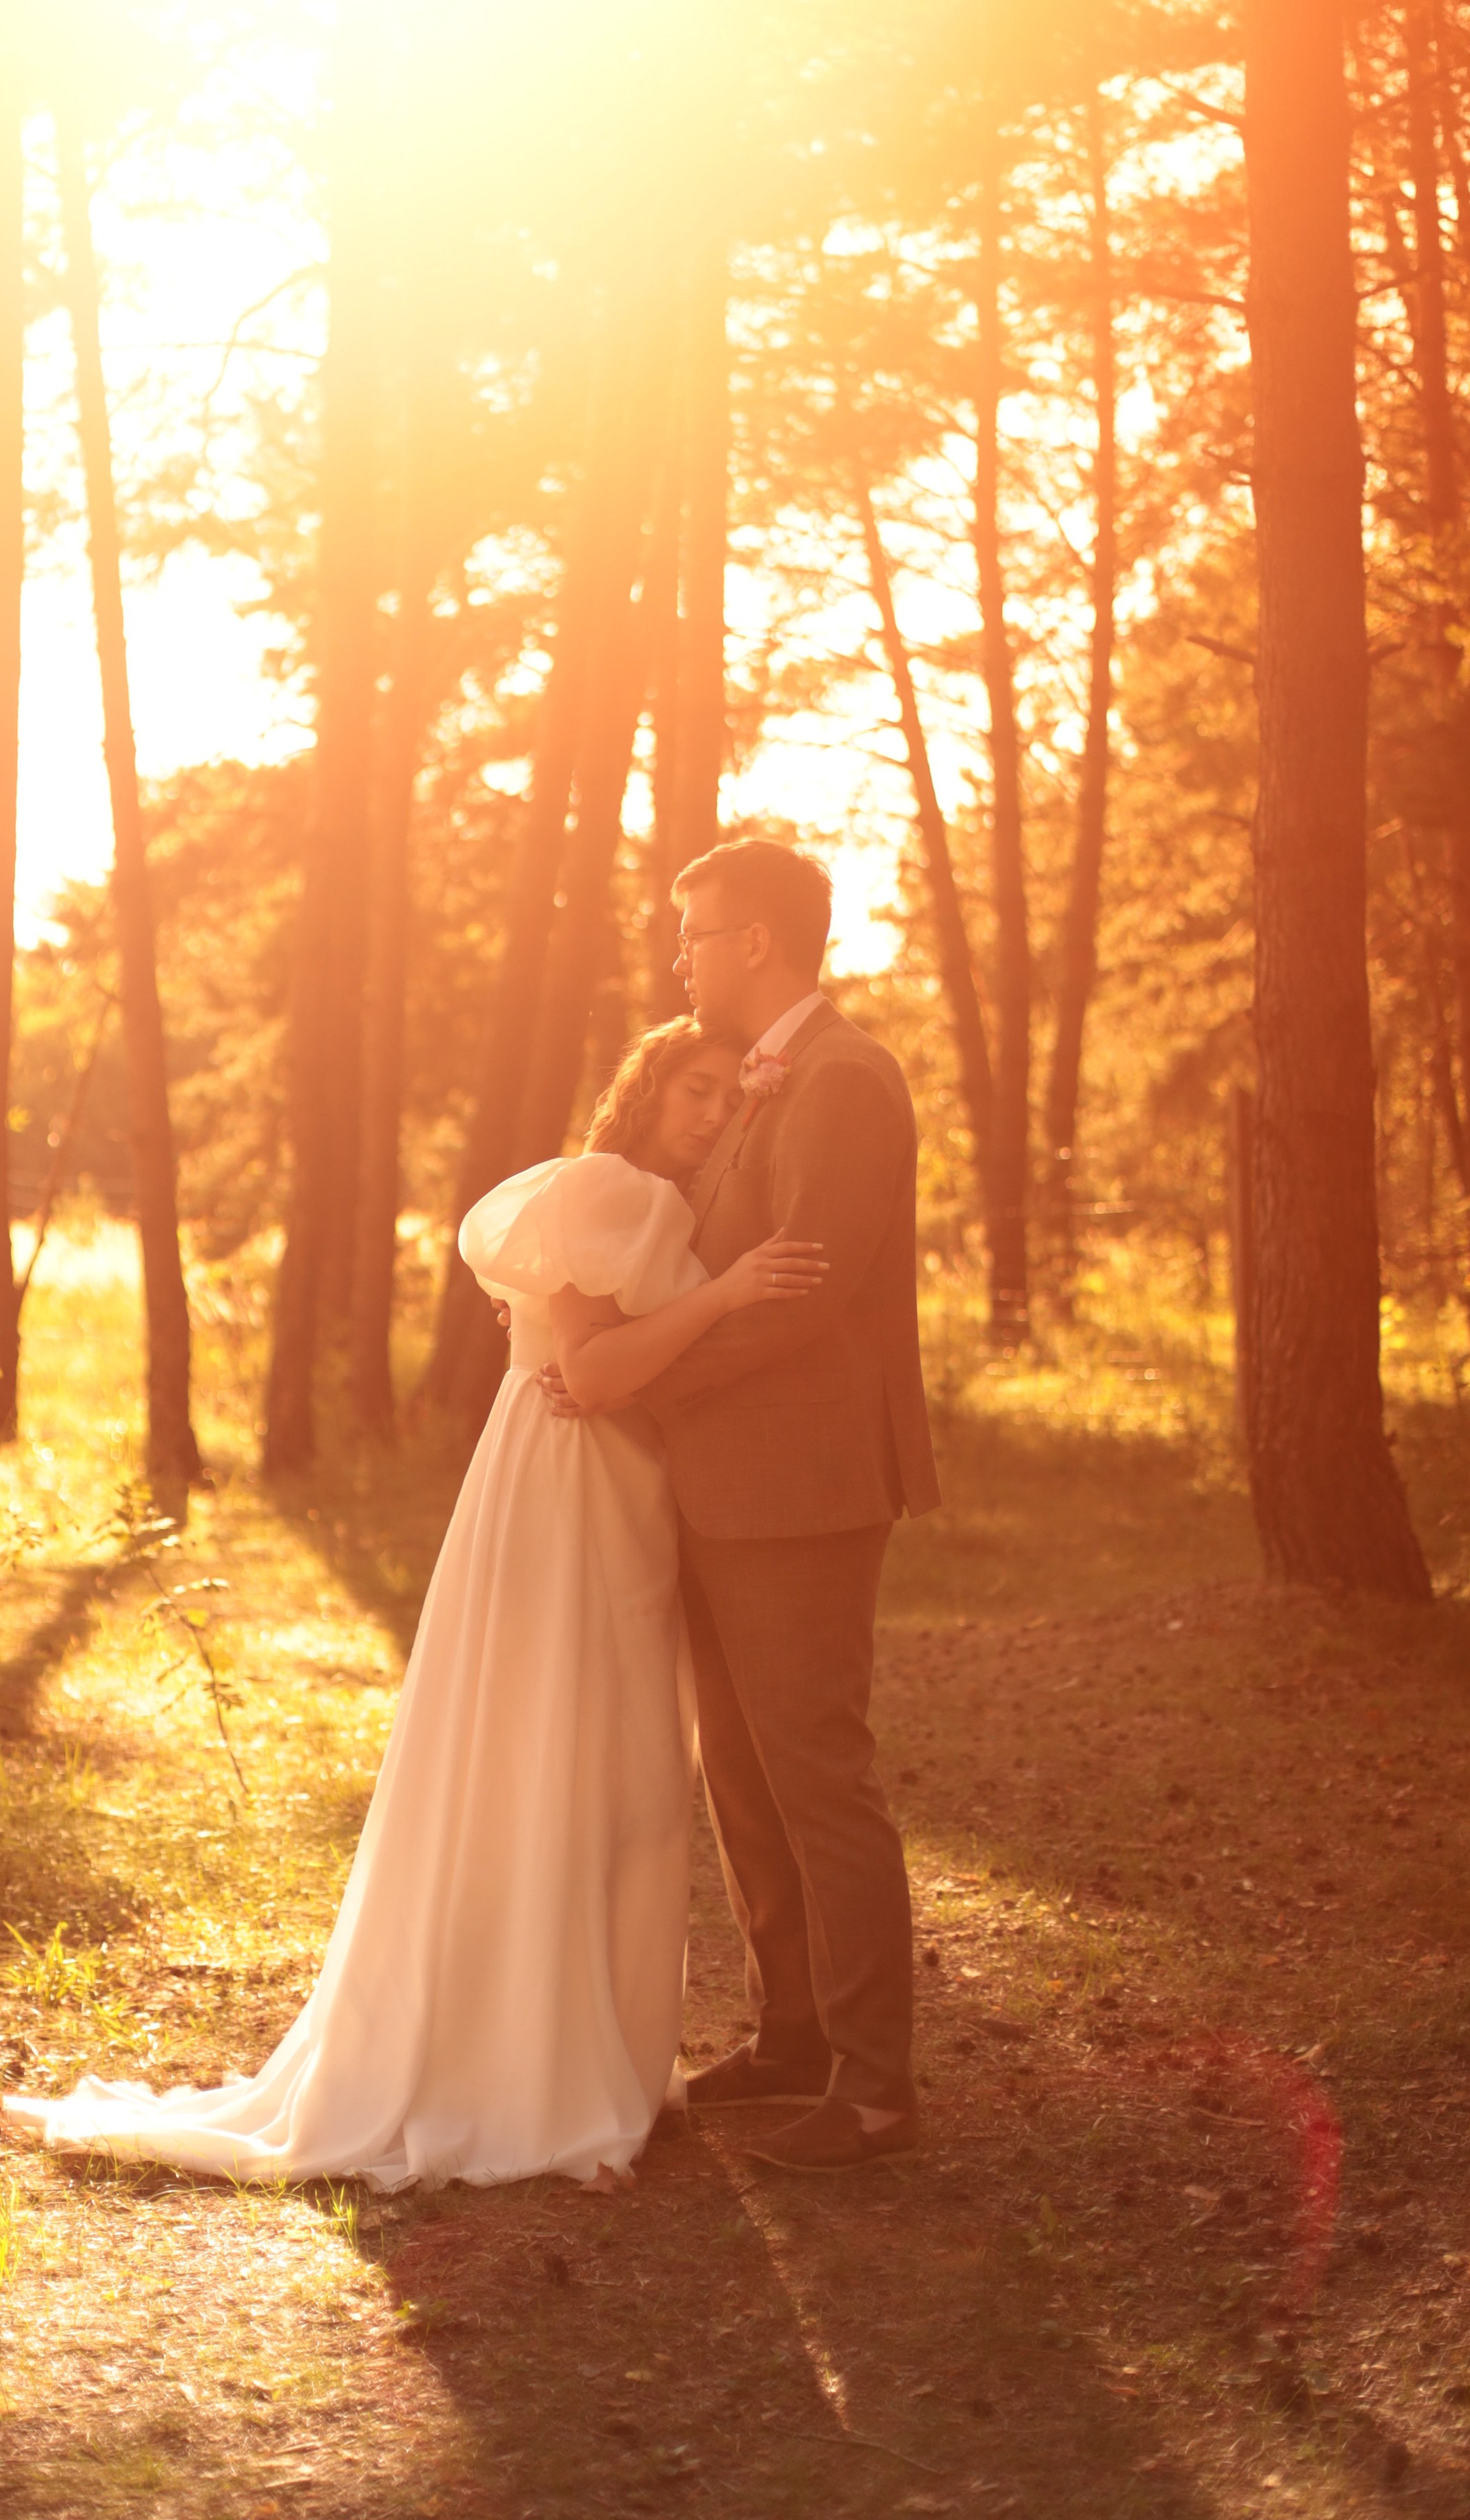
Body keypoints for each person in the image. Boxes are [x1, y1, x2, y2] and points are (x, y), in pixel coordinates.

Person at [2, 1019, 825, 2190]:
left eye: (723, 1099)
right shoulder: (614, 1189)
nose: (709, 1112)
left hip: (611, 1492)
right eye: (691, 1090)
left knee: (622, 1774)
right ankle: (528, 2072)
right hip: (568, 1489)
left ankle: (585, 2058)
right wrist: (731, 1295)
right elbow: (589, 1374)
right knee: (573, 1761)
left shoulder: (658, 1207)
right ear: (642, 1094)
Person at [548, 837, 939, 2172]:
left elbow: (808, 1291)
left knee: (817, 1771)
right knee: (747, 1778)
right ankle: (795, 2039)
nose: (683, 959)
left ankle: (875, 2090)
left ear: (758, 943)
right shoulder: (761, 1087)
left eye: (698, 935)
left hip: (804, 1484)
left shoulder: (845, 1080)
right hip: (718, 1483)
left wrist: (639, 1393)